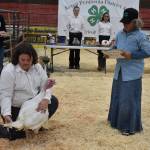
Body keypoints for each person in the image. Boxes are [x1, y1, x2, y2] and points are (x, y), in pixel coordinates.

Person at [0, 42, 59, 140]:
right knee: (17, 132)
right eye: (23, 60)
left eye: (29, 60)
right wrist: (7, 114)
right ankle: (11, 130)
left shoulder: (37, 67)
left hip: (34, 106)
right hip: (16, 108)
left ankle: (32, 126)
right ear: (17, 58)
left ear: (33, 58)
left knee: (53, 101)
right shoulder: (9, 71)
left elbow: (46, 85)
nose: (26, 63)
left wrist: (45, 99)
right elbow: (5, 95)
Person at [108, 8, 150, 135]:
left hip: (132, 73)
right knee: (117, 97)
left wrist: (131, 55)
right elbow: (115, 47)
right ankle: (115, 121)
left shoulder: (141, 36)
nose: (124, 24)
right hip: (119, 71)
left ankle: (128, 127)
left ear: (135, 22)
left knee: (128, 100)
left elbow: (147, 52)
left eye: (127, 22)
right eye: (123, 22)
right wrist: (110, 52)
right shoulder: (120, 34)